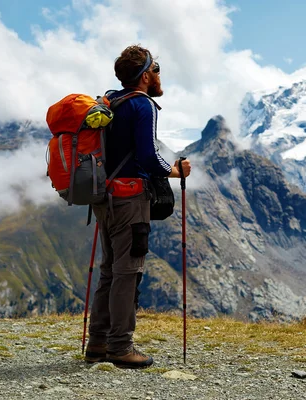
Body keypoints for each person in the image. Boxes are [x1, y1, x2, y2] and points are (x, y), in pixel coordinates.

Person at [84, 45, 191, 369]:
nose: (158, 74)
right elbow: (147, 156)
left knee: (109, 272)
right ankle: (120, 347)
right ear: (145, 75)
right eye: (156, 68)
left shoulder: (112, 101)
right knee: (128, 273)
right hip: (130, 200)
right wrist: (174, 170)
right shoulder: (143, 105)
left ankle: (98, 344)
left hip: (105, 199)